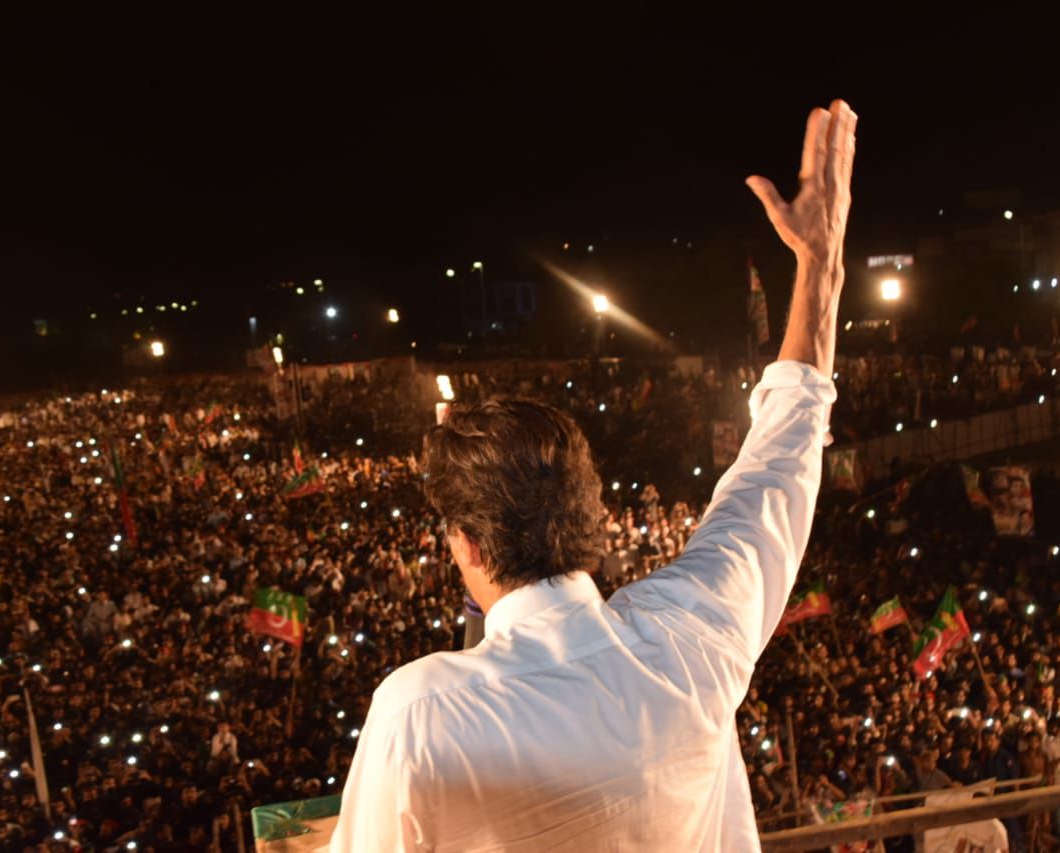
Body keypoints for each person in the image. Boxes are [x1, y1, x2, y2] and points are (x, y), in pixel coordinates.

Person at [330, 100, 857, 850]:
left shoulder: (419, 713)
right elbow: (781, 458)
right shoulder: (691, 634)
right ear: (594, 516)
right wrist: (820, 263)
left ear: (466, 545)